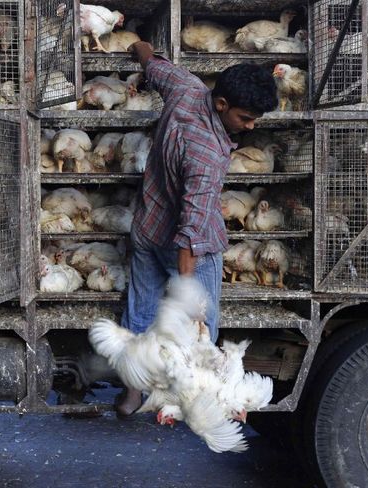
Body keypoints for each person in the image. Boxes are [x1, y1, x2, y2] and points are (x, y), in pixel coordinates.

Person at [115, 42, 279, 418]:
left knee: (140, 312)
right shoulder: (205, 155)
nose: (251, 127)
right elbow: (190, 229)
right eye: (246, 118)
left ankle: (131, 395)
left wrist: (137, 47)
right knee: (203, 330)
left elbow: (152, 62)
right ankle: (191, 401)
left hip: (147, 226)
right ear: (221, 104)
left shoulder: (186, 87)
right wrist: (191, 297)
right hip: (187, 248)